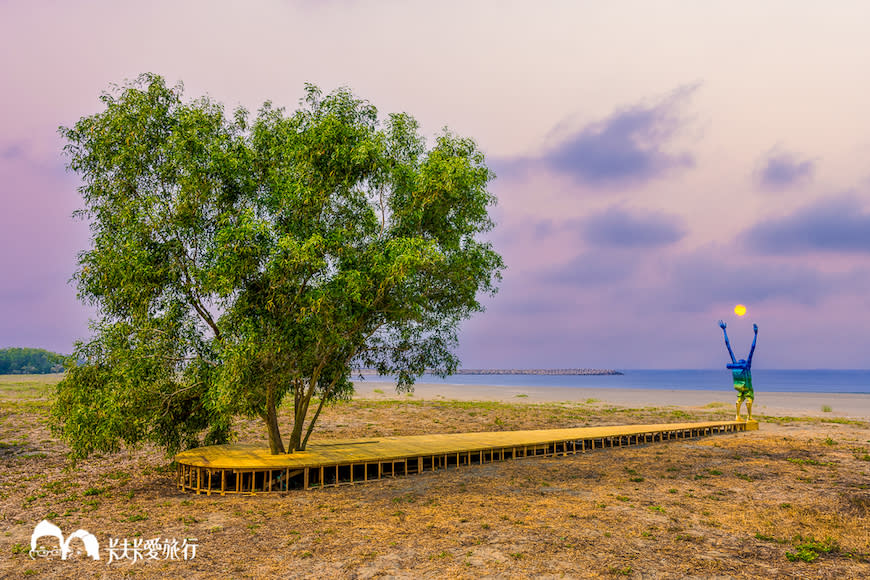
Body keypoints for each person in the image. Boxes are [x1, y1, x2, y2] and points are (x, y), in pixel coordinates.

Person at [718, 320, 758, 421]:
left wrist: (724, 331)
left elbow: (728, 347)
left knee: (739, 400)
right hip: (747, 387)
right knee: (749, 399)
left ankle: (737, 416)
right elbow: (752, 349)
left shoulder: (735, 365)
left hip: (739, 387)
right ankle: (749, 417)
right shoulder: (746, 365)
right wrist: (756, 335)